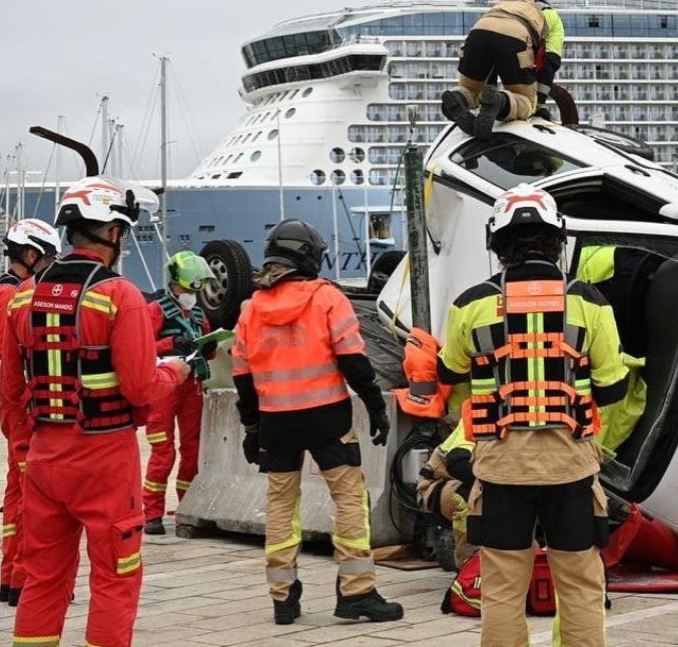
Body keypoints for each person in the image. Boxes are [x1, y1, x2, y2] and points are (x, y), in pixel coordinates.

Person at [0, 175, 191, 647]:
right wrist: (178, 370)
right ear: (113, 232)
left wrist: (28, 446)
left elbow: (11, 390)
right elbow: (141, 388)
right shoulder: (118, 295)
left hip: (44, 457)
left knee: (43, 579)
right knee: (114, 576)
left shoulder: (22, 297)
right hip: (105, 460)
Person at [437, 183, 627, 647]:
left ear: (497, 243)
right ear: (558, 239)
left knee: (502, 587)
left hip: (500, 468)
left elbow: (449, 370)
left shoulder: (470, 303)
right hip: (571, 467)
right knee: (580, 584)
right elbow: (613, 387)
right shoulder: (589, 302)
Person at [232, 217, 403, 625]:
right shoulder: (327, 298)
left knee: (280, 505)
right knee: (349, 500)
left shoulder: (251, 309)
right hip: (327, 420)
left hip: (276, 424)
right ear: (308, 257)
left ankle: (283, 598)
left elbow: (242, 378)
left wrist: (252, 430)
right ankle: (357, 593)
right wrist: (375, 407)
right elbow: (352, 360)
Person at [0, 218, 61, 604]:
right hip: (22, 408)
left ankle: (14, 576)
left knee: (20, 490)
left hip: (18, 406)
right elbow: (6, 359)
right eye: (49, 258)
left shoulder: (7, 292)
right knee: (31, 494)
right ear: (31, 254)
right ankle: (23, 577)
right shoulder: (11, 295)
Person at [142, 250, 218, 535]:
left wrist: (210, 347)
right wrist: (171, 343)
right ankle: (152, 513)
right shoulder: (155, 310)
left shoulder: (198, 313)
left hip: (191, 385)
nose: (191, 295)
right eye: (187, 289)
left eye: (195, 290)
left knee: (192, 449)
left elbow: (207, 349)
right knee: (163, 451)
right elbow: (143, 348)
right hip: (164, 387)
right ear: (174, 283)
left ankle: (187, 508)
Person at [441, 0, 565, 138]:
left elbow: (491, 58)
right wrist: (539, 105)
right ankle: (500, 102)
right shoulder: (552, 16)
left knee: (470, 90)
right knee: (526, 103)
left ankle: (458, 98)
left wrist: (488, 92)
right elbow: (551, 62)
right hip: (515, 33)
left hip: (478, 31)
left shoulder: (507, 3)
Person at [415, 420, 476, 571]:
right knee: (474, 497)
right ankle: (468, 566)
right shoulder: (479, 415)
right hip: (437, 486)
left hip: (459, 479)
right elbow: (459, 464)